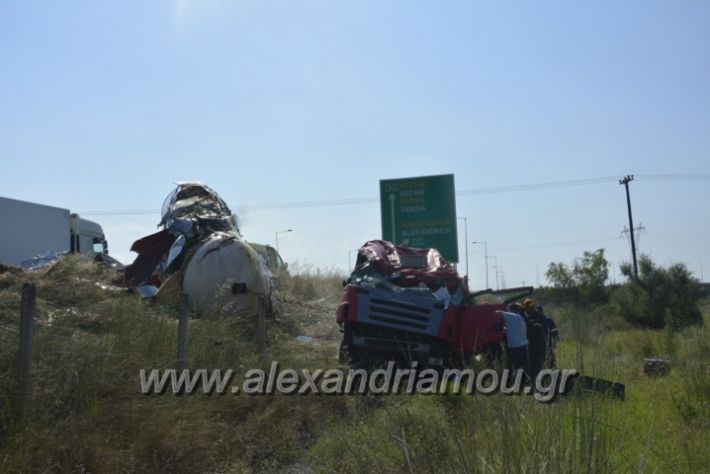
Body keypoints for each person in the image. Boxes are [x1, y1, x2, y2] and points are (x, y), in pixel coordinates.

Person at [496, 303, 530, 381]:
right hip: (524, 345)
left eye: (508, 310)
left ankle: (520, 385)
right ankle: (528, 383)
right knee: (525, 367)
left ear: (511, 310)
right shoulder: (520, 317)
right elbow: (514, 329)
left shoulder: (512, 316)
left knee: (517, 367)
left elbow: (497, 312)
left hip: (516, 348)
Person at [522, 298, 546, 380]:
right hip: (531, 343)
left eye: (531, 307)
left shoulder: (539, 316)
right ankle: (534, 379)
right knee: (532, 362)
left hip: (539, 342)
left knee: (540, 361)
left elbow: (542, 328)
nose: (530, 309)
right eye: (528, 308)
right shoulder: (526, 317)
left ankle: (541, 378)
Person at [537, 304, 559, 368]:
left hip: (544, 345)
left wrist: (555, 342)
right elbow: (555, 333)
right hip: (546, 344)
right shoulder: (549, 320)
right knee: (550, 361)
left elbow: (555, 332)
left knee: (548, 361)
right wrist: (556, 342)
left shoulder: (537, 321)